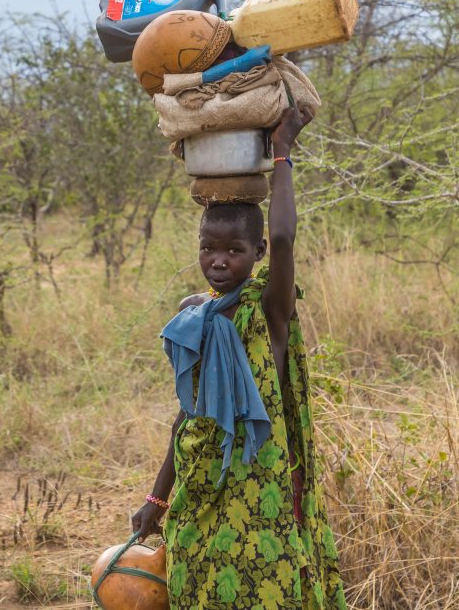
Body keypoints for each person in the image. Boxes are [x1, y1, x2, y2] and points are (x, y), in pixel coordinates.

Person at [133, 106, 346, 610]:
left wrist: (282, 154)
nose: (219, 261)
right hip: (199, 487)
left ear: (258, 252)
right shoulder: (193, 315)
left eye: (234, 250)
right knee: (196, 592)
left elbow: (288, 236)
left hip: (257, 489)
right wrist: (157, 498)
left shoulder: (270, 309)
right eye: (209, 249)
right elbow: (189, 413)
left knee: (267, 594)